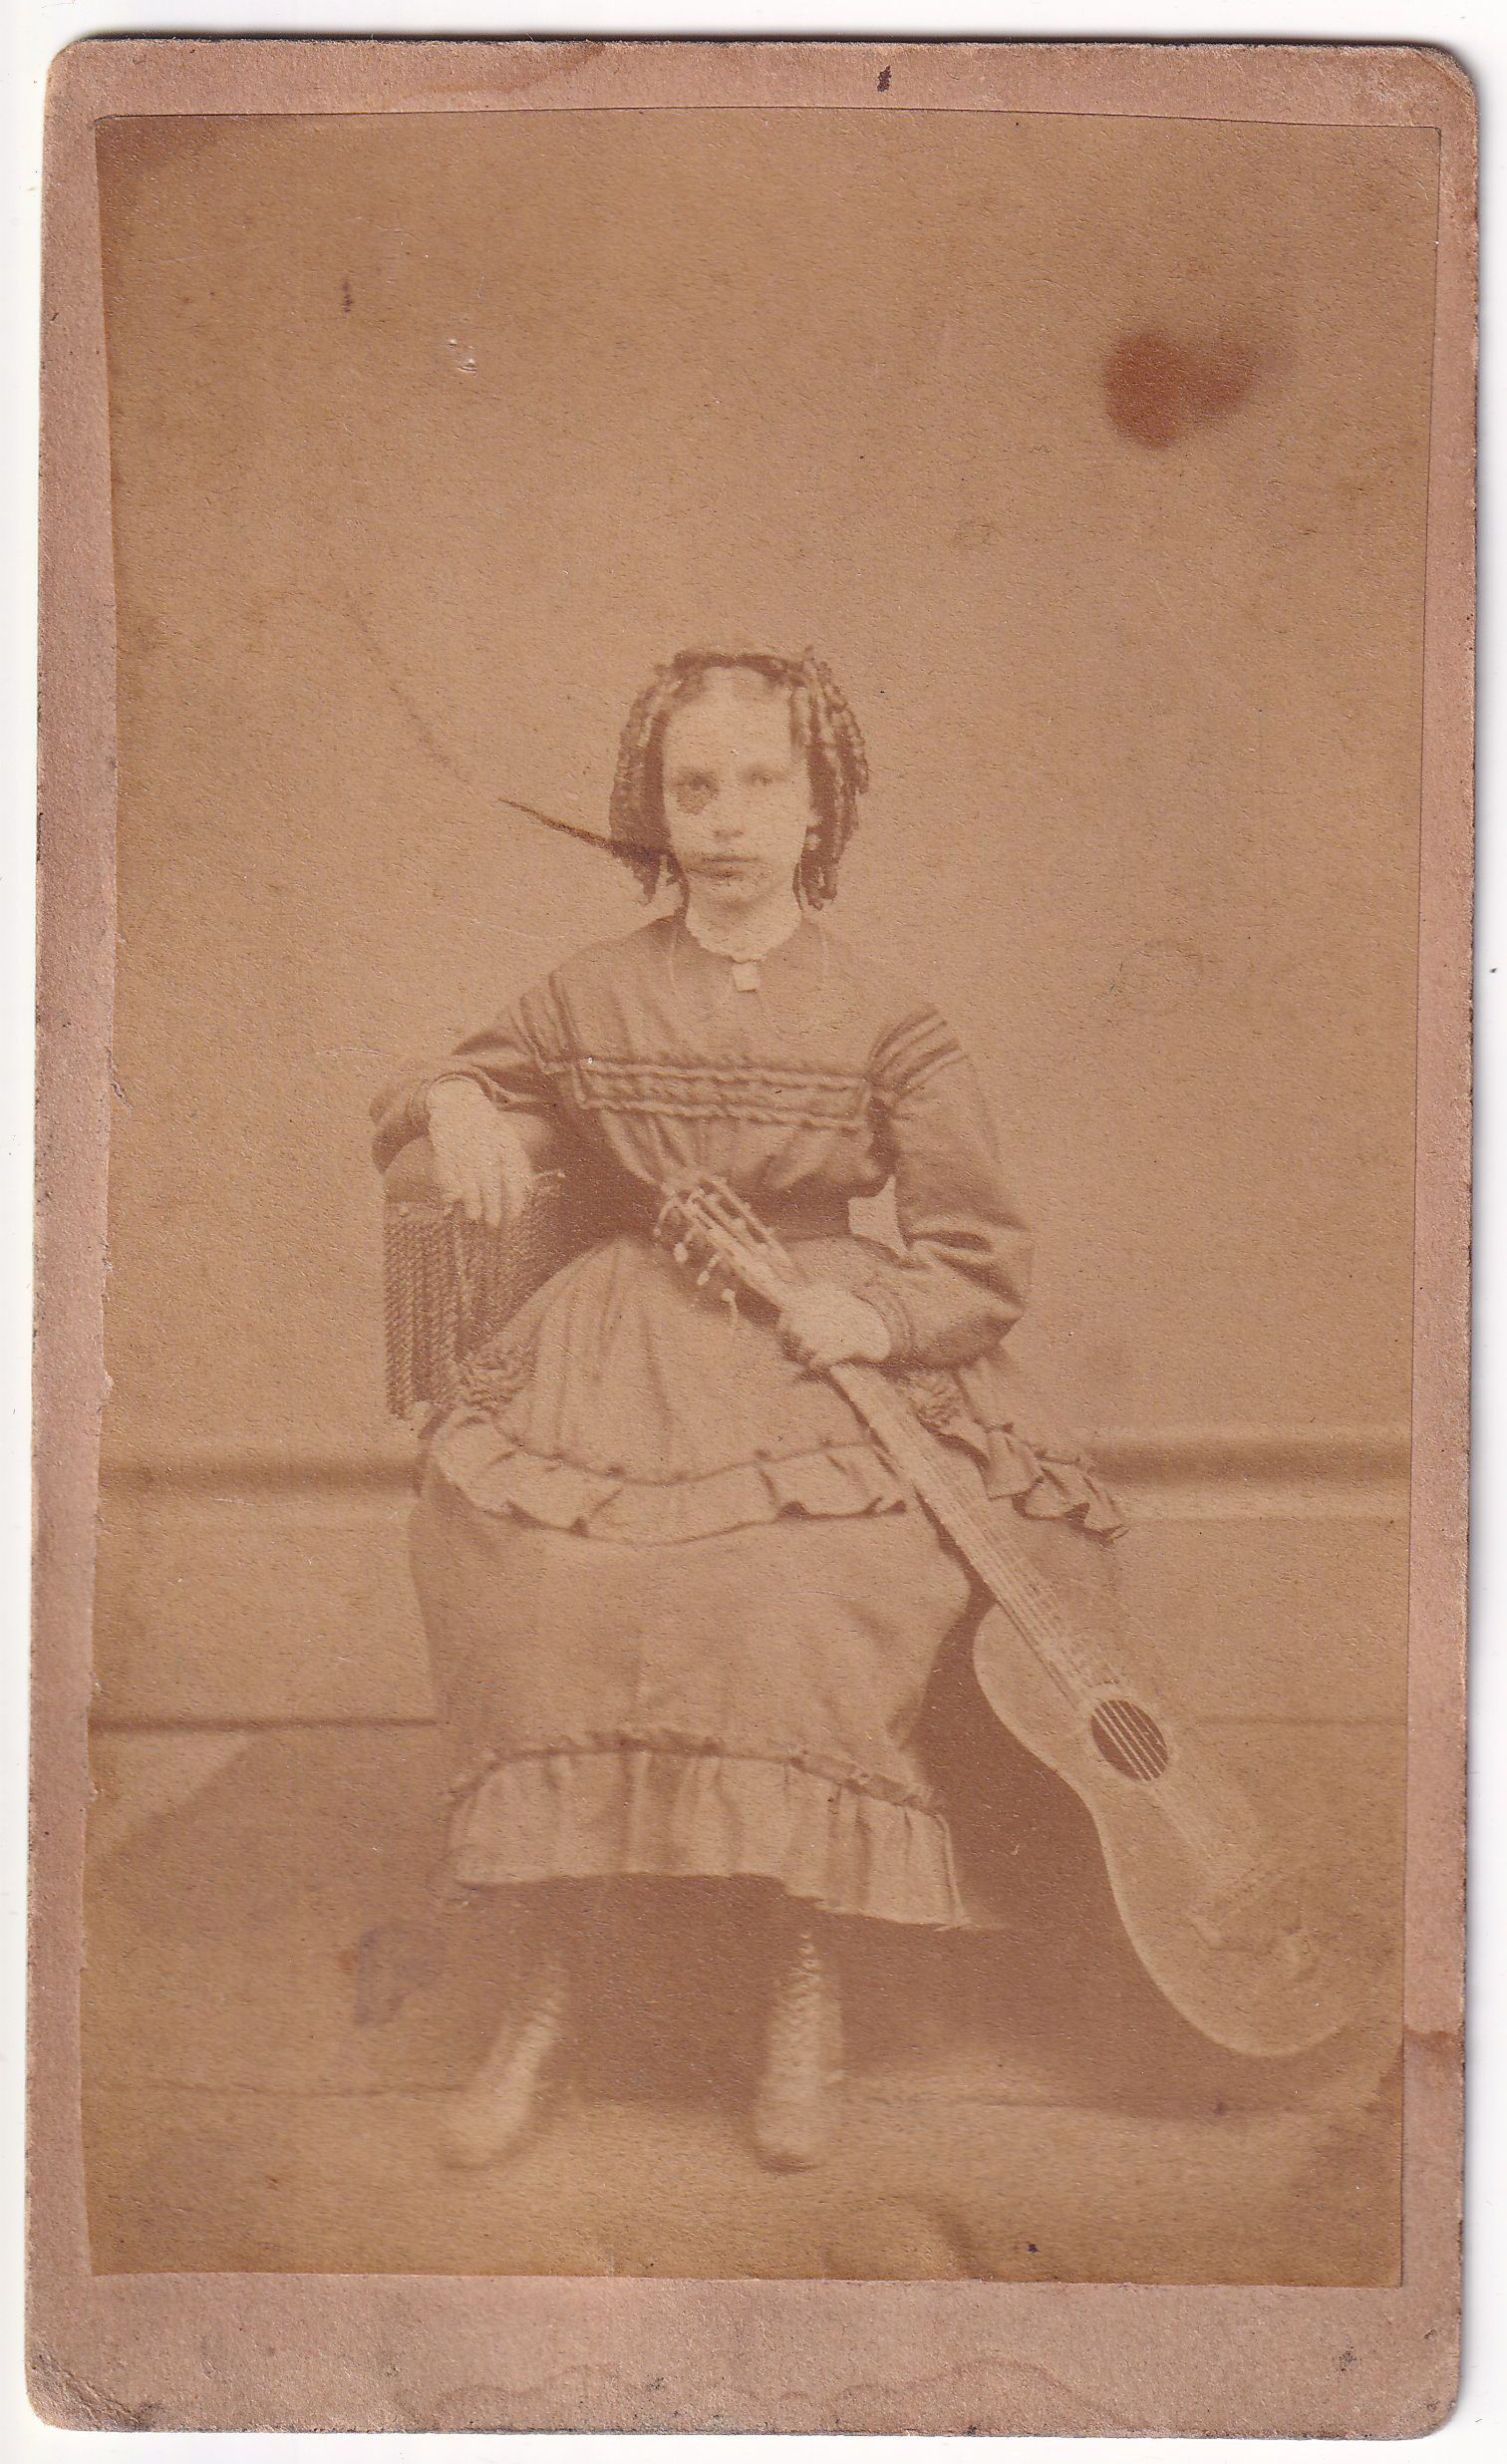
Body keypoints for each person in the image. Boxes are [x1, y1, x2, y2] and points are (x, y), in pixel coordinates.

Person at [371, 648, 1125, 2171]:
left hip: (815, 1358)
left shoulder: (890, 1018)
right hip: (611, 1355)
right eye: (692, 787)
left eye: (760, 783)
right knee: (540, 1577)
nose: (724, 819)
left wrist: (876, 1313)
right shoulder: (590, 989)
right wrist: (451, 1099)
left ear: (817, 804)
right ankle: (554, 1986)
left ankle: (804, 1978)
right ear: (654, 810)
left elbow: (980, 1258)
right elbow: (439, 1091)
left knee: (799, 1588)